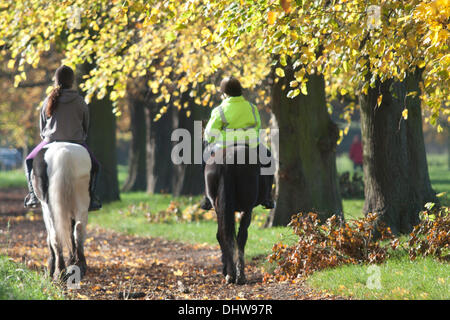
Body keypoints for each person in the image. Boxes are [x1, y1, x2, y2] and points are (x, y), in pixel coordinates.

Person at [24, 65, 102, 211]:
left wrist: (48, 135)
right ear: (72, 81)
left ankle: (33, 195)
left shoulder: (48, 100)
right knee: (96, 166)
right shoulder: (80, 101)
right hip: (76, 141)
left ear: (56, 80)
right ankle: (92, 198)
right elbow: (86, 125)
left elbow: (42, 128)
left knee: (28, 161)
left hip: (50, 140)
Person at [200, 77, 275, 210]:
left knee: (205, 158)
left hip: (224, 145)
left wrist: (210, 140)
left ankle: (207, 196)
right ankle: (268, 197)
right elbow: (257, 127)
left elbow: (210, 133)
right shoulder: (252, 108)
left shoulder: (219, 110)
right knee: (268, 158)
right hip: (250, 144)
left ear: (224, 93)